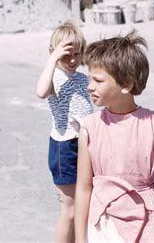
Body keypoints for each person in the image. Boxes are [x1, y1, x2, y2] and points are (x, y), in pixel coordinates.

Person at [74, 30, 154, 242]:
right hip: (105, 226)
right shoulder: (89, 128)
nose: (89, 85)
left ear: (127, 84)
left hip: (150, 225)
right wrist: (80, 239)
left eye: (98, 80)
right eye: (89, 78)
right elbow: (83, 189)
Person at [36, 21, 93, 242]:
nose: (71, 61)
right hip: (64, 147)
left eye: (76, 55)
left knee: (83, 206)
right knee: (70, 210)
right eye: (65, 55)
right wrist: (52, 59)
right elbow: (41, 92)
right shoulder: (53, 77)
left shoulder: (82, 78)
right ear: (54, 54)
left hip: (85, 145)